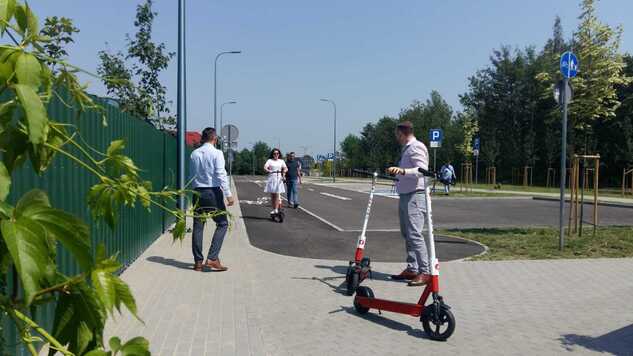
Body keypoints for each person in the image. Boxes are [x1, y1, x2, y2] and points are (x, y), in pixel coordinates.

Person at [386, 121, 431, 287]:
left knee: (415, 234)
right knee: (407, 234)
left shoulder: (416, 147)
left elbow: (421, 170)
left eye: (396, 134)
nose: (396, 138)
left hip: (415, 196)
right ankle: (412, 268)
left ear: (401, 133)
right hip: (406, 194)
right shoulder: (406, 148)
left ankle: (425, 271)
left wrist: (403, 171)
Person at [189, 127, 235, 272]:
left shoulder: (194, 153)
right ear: (215, 139)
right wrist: (228, 194)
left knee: (198, 225)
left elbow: (192, 174)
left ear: (203, 138)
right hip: (212, 193)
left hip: (197, 192)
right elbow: (221, 174)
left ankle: (198, 262)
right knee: (222, 223)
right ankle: (212, 258)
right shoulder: (217, 153)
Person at [264, 148, 287, 215]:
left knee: (277, 194)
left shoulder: (281, 161)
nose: (276, 154)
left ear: (279, 154)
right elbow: (265, 167)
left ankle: (276, 209)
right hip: (272, 178)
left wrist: (284, 172)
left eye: (277, 153)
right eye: (274, 153)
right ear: (272, 154)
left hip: (279, 178)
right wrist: (268, 170)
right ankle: (274, 209)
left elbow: (285, 168)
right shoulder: (269, 160)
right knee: (273, 195)